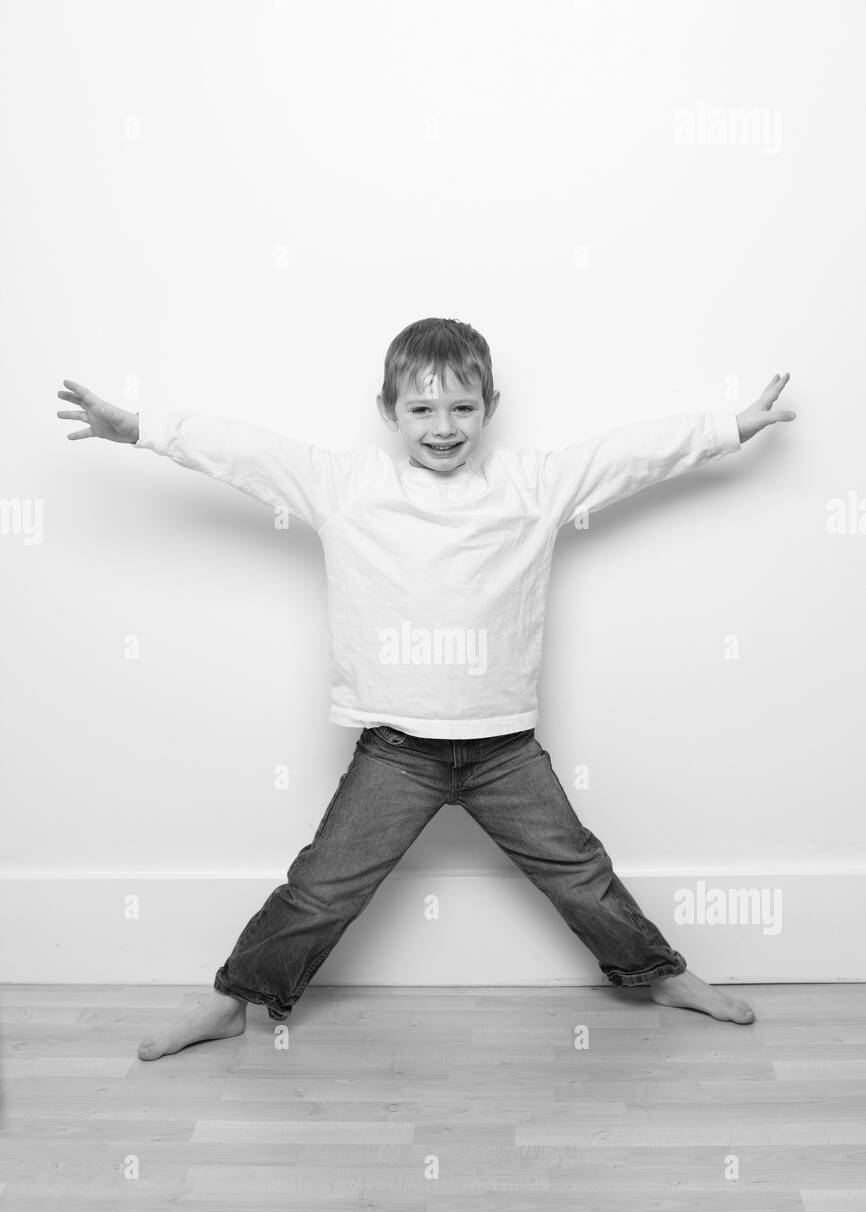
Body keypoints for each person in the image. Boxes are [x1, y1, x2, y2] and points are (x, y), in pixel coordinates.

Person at [56, 318, 796, 1060]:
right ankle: (230, 1003)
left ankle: (658, 973)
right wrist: (142, 427)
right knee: (321, 889)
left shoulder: (529, 487)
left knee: (580, 873)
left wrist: (729, 426)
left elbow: (631, 455)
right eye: (421, 409)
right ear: (389, 411)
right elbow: (246, 452)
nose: (443, 428)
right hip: (397, 751)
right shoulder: (349, 488)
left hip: (503, 749)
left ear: (490, 406)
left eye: (462, 409)